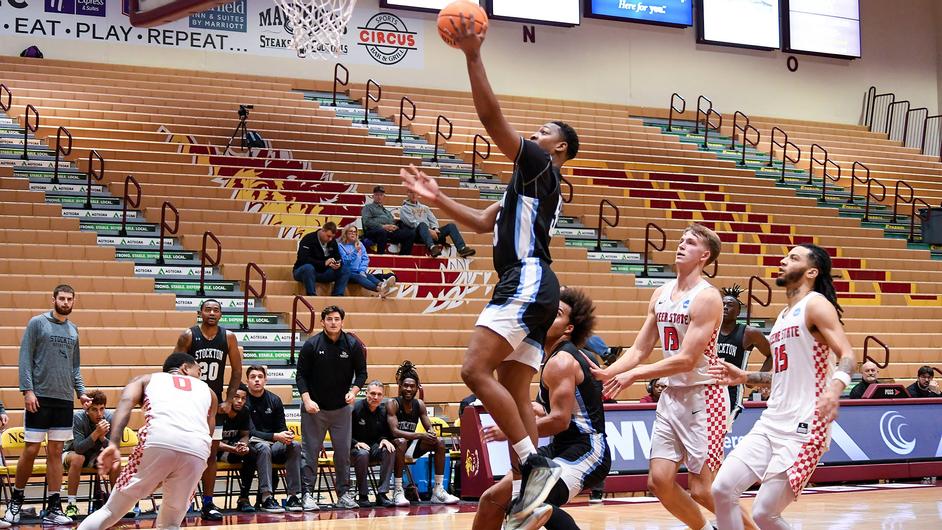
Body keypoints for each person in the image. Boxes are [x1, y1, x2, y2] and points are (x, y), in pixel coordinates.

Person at [402, 14, 581, 525]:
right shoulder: (522, 187)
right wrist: (439, 198)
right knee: (515, 385)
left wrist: (473, 55)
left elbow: (491, 119)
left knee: (473, 370)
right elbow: (483, 222)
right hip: (532, 282)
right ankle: (531, 487)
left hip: (525, 277)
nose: (534, 133)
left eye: (544, 130)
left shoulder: (541, 167)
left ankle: (533, 464)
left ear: (559, 147)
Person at [588, 224, 731, 530]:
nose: (681, 245)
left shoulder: (707, 297)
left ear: (704, 255)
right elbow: (640, 348)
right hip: (672, 397)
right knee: (659, 481)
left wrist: (636, 374)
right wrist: (607, 372)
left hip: (704, 396)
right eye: (681, 239)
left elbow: (687, 359)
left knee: (703, 490)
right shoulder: (661, 293)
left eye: (690, 242)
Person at [709, 244, 857, 530]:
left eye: (793, 258)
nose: (783, 260)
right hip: (772, 420)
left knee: (765, 513)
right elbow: (786, 376)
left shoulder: (816, 304)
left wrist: (835, 387)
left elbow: (848, 355)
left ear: (812, 271)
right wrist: (745, 376)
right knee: (722, 489)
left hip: (806, 425)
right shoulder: (781, 317)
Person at [473, 287, 611, 530]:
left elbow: (560, 420)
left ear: (569, 328)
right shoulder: (548, 358)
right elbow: (555, 410)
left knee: (535, 502)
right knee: (492, 500)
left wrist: (512, 430)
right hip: (560, 447)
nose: (547, 317)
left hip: (587, 449)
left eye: (556, 314)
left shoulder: (561, 361)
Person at [77, 353, 217, 530]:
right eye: (199, 369)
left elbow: (125, 404)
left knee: (111, 511)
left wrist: (113, 444)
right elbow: (208, 431)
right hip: (198, 448)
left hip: (158, 439)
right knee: (171, 523)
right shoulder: (209, 392)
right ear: (185, 368)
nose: (200, 375)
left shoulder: (147, 379)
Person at [4, 284, 90, 526]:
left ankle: (53, 506)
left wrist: (81, 393)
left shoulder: (74, 330)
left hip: (64, 400)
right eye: (61, 298)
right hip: (39, 397)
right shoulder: (37, 323)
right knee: (30, 450)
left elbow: (75, 368)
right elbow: (25, 359)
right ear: (53, 299)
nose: (65, 302)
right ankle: (16, 501)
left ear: (74, 301)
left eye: (69, 299)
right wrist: (27, 391)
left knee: (55, 453)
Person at [174, 298, 243, 521]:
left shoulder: (228, 337)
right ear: (200, 312)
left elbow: (236, 371)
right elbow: (173, 367)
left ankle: (208, 502)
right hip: (190, 404)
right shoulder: (188, 335)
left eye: (216, 310)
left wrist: (229, 399)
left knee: (211, 454)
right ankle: (180, 502)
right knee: (186, 454)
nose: (212, 313)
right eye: (207, 309)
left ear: (221, 315)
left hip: (214, 405)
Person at [296, 305, 368, 510]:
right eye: (329, 319)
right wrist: (307, 400)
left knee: (343, 453)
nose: (333, 322)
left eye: (337, 319)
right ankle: (307, 495)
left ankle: (344, 494)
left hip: (341, 410)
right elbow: (300, 375)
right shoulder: (311, 345)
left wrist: (353, 392)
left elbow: (362, 373)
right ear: (322, 322)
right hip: (315, 410)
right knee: (309, 453)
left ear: (342, 322)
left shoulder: (352, 345)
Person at [386, 361, 460, 507]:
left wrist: (431, 433)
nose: (408, 389)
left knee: (439, 442)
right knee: (401, 440)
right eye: (405, 385)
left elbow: (428, 426)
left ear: (417, 388)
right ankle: (398, 490)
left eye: (412, 386)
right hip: (393, 447)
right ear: (400, 387)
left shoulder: (419, 404)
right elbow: (394, 432)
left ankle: (438, 490)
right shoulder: (392, 404)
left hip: (410, 446)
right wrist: (420, 435)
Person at [244, 365, 304, 513]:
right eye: (253, 377)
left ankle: (293, 496)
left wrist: (286, 436)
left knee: (295, 445)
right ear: (247, 381)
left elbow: (281, 427)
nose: (257, 380)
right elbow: (250, 433)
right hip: (254, 445)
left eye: (260, 377)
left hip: (274, 445)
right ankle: (266, 497)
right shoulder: (244, 401)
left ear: (266, 380)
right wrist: (275, 436)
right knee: (264, 448)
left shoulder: (274, 400)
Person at [718, 285, 772, 420]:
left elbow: (772, 355)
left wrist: (757, 378)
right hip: (708, 388)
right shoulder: (709, 330)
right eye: (722, 304)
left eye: (729, 305)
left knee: (717, 433)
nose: (725, 307)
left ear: (738, 312)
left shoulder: (749, 333)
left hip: (732, 392)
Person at [63, 390, 118, 518]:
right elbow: (78, 448)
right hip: (70, 452)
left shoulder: (110, 417)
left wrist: (103, 438)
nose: (99, 413)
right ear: (87, 409)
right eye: (94, 409)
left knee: (115, 460)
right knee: (79, 458)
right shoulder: (79, 417)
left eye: (102, 409)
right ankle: (71, 504)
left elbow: (113, 449)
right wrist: (96, 434)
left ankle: (117, 504)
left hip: (94, 454)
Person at [351, 381, 396, 507]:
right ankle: (363, 495)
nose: (375, 397)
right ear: (366, 393)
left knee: (389, 449)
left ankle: (382, 494)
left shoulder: (383, 411)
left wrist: (384, 439)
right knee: (363, 453)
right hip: (354, 449)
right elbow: (343, 433)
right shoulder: (355, 408)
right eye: (372, 393)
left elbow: (384, 433)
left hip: (374, 448)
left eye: (379, 394)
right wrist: (355, 443)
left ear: (382, 396)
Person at [400, 189, 475, 258]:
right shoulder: (404, 208)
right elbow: (412, 223)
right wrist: (429, 231)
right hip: (417, 235)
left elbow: (433, 220)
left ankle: (462, 248)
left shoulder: (425, 207)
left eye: (415, 193)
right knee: (422, 224)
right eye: (411, 192)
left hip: (431, 233)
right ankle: (432, 248)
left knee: (451, 226)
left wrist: (435, 229)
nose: (414, 195)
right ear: (408, 194)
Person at [216, 384, 256, 513]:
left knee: (251, 452)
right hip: (215, 452)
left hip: (232, 450)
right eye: (236, 397)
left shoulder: (244, 411)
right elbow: (213, 442)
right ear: (229, 397)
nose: (240, 401)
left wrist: (243, 445)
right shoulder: (219, 411)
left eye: (243, 398)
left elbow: (245, 435)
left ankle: (243, 499)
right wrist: (233, 449)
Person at [337, 224, 397, 298]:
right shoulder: (340, 246)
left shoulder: (360, 244)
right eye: (351, 231)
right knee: (359, 276)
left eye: (355, 232)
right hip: (347, 273)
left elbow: (365, 259)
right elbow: (345, 261)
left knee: (368, 275)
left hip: (358, 271)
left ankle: (382, 285)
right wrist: (355, 251)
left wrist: (362, 270)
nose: (353, 233)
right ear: (345, 233)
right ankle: (380, 289)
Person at [292, 221, 351, 296]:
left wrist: (338, 263)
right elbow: (303, 259)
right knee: (308, 268)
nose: (330, 239)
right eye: (328, 236)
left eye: (332, 237)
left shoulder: (332, 242)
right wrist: (324, 263)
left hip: (324, 272)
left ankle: (338, 295)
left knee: (345, 269)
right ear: (323, 230)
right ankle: (311, 295)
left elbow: (338, 257)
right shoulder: (308, 239)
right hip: (304, 271)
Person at [361, 186, 416, 255]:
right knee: (382, 231)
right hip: (373, 231)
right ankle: (380, 256)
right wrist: (383, 226)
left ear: (384, 196)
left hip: (388, 232)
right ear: (373, 196)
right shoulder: (368, 208)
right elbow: (367, 222)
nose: (379, 197)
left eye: (381, 195)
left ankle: (403, 256)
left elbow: (392, 221)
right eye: (377, 195)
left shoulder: (387, 212)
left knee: (410, 233)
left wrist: (394, 226)